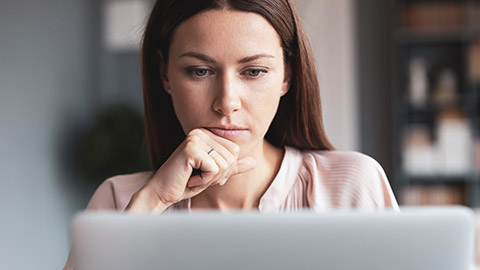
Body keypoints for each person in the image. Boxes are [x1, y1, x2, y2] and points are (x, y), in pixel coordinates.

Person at [64, 0, 398, 268]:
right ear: (165, 74)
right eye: (200, 71)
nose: (226, 102)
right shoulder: (121, 202)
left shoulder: (352, 188)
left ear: (287, 76)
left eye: (253, 71)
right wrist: (154, 202)